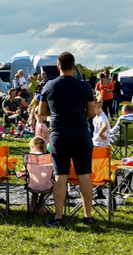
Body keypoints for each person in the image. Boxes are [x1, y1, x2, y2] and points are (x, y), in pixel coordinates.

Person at [38, 52, 97, 228]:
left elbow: (42, 112)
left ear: (58, 67)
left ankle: (58, 216)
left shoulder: (49, 86)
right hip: (80, 133)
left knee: (60, 176)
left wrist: (56, 113)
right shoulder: (84, 87)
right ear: (74, 67)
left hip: (59, 134)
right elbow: (92, 112)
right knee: (84, 175)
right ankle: (87, 216)